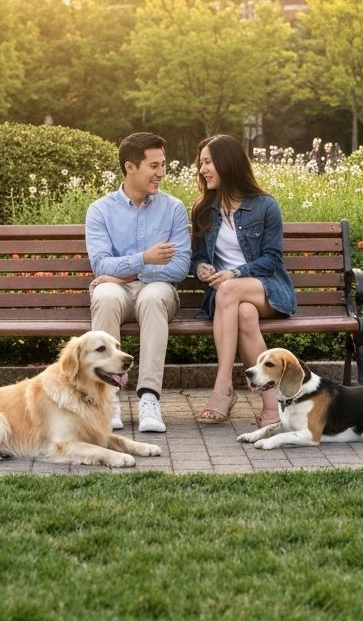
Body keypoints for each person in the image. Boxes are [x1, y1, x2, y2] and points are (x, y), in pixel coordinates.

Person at [85, 131, 190, 433]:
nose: (161, 173)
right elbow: (101, 266)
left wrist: (132, 271)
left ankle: (149, 398)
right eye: (154, 166)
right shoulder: (100, 210)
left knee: (153, 295)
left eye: (163, 165)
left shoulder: (173, 208)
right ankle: (109, 397)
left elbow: (180, 267)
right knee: (104, 294)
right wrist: (145, 258)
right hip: (115, 292)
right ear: (131, 167)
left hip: (156, 291)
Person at [189, 134, 296, 428]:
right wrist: (201, 268)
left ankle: (223, 385)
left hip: (266, 289)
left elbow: (272, 259)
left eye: (208, 162)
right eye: (201, 164)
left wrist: (236, 273)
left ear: (228, 162)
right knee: (244, 314)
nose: (203, 170)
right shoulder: (203, 209)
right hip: (226, 300)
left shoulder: (265, 206)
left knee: (232, 291)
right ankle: (272, 408)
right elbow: (197, 256)